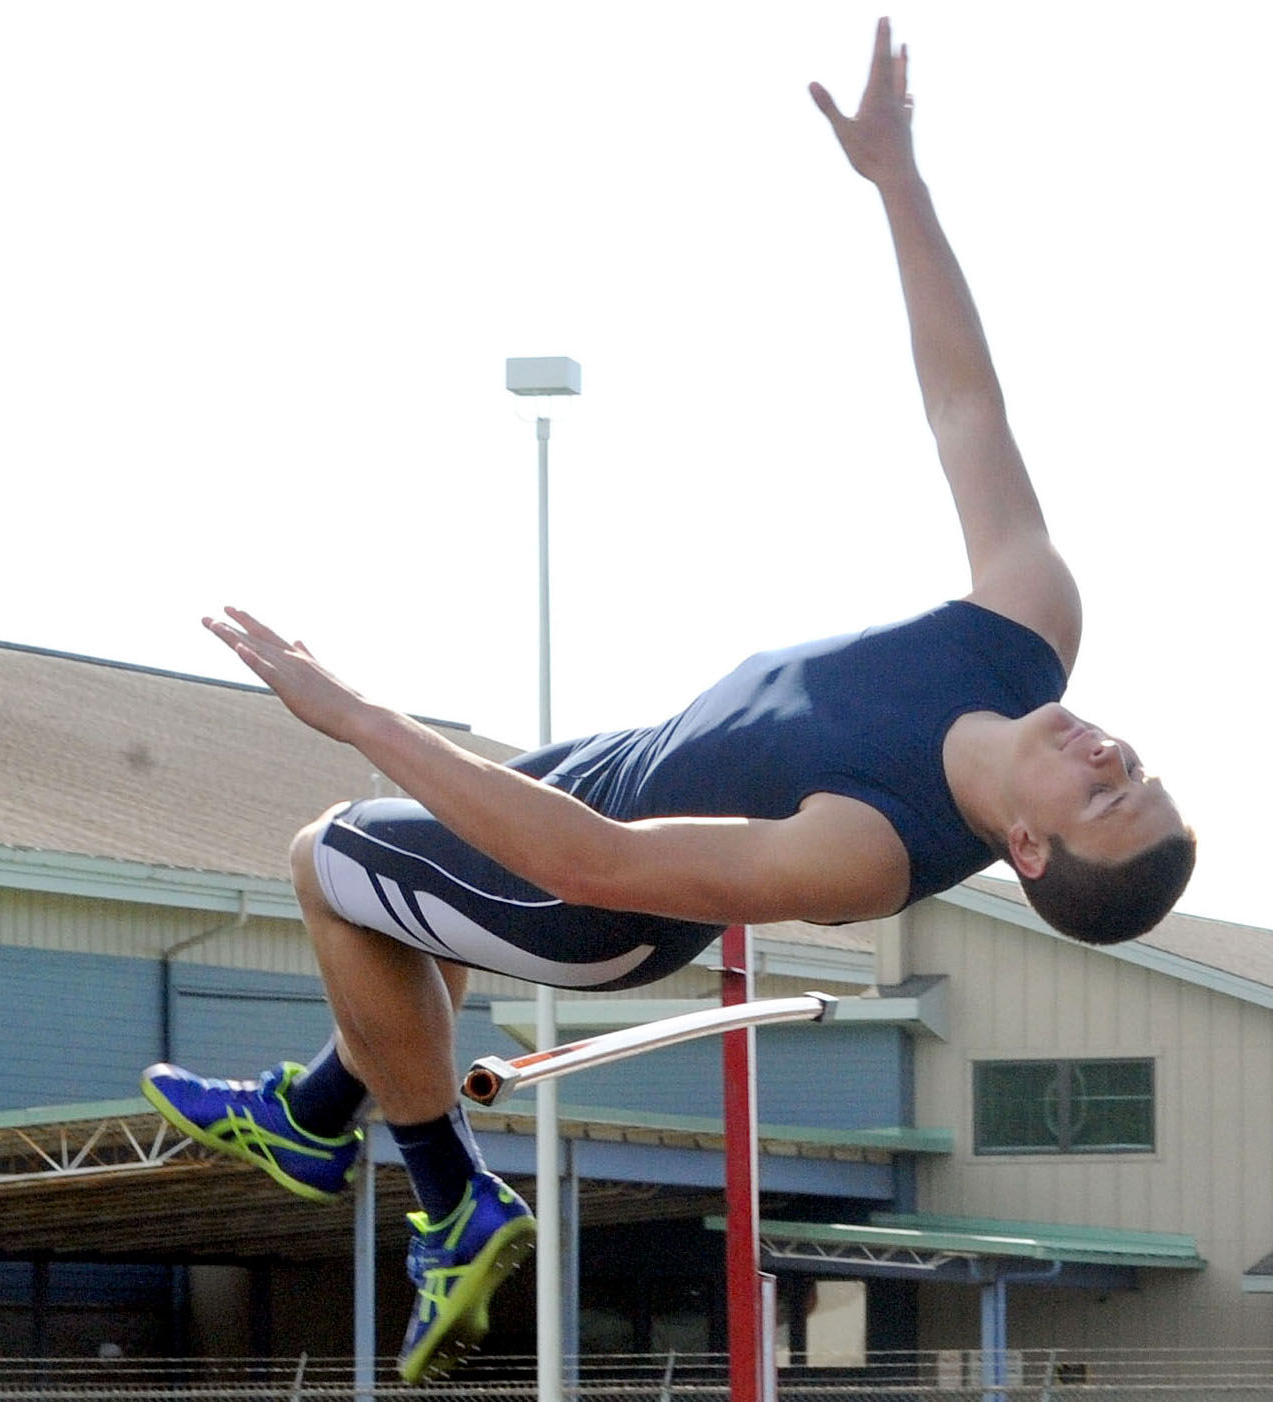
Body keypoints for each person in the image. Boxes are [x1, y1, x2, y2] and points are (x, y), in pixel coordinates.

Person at [142, 19, 1194, 1383]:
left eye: (1107, 791)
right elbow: (965, 409)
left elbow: (594, 862)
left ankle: (449, 1196)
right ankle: (312, 1107)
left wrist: (353, 710)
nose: (1110, 749)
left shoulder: (871, 845)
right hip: (609, 763)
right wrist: (899, 182)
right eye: (1135, 760)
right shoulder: (1031, 620)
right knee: (416, 913)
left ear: (1037, 850)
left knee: (329, 856)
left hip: (592, 895)